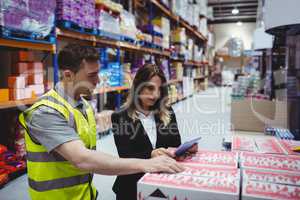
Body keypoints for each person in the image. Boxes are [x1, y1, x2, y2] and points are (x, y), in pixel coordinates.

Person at [19, 44, 184, 200]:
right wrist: (148, 164)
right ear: (68, 75)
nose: (98, 80)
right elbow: (82, 159)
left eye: (98, 73)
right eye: (91, 75)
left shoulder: (84, 107)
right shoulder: (46, 112)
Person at [111, 64, 197, 200]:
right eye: (150, 88)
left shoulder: (167, 113)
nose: (155, 95)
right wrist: (151, 154)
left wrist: (185, 150)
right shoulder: (120, 116)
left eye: (159, 89)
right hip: (131, 186)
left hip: (163, 183)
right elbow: (125, 154)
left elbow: (175, 144)